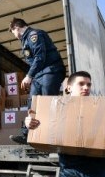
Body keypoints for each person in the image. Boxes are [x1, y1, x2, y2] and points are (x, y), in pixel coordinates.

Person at [26, 71, 105, 177]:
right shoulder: (57, 108)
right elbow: (40, 125)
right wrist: (29, 123)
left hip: (100, 173)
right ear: (69, 87)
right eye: (81, 84)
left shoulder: (100, 107)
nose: (86, 88)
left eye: (89, 85)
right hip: (72, 174)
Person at [8, 17, 65, 145]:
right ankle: (27, 134)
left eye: (13, 33)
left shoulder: (34, 35)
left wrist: (29, 75)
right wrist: (32, 75)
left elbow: (40, 57)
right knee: (32, 102)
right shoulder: (26, 40)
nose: (14, 36)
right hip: (40, 74)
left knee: (48, 101)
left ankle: (51, 135)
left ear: (16, 28)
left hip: (51, 70)